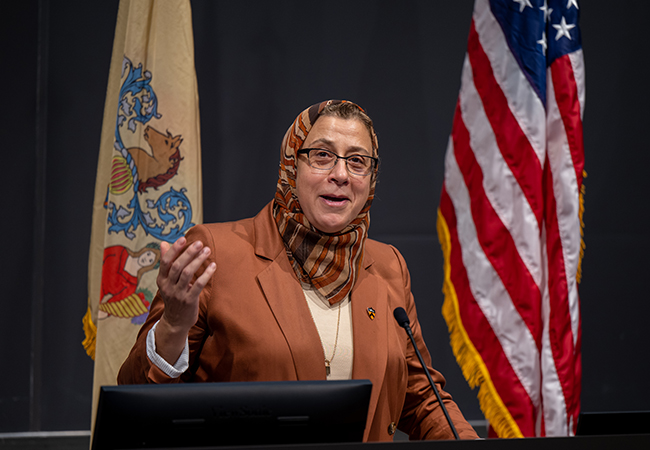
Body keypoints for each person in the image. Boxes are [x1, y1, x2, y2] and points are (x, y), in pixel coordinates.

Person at [118, 100, 479, 441]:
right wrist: (174, 326)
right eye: (322, 156)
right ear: (292, 163)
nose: (340, 174)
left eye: (357, 161)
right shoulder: (218, 252)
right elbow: (138, 399)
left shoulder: (387, 266)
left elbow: (422, 398)